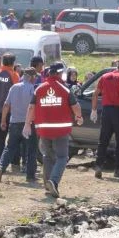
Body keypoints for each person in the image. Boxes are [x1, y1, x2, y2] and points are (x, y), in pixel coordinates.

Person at [24, 62, 84, 198]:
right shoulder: (64, 89)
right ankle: (54, 181)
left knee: (48, 156)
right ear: (59, 74)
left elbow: (31, 107)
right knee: (62, 157)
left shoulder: (39, 89)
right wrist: (79, 117)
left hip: (43, 130)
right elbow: (75, 106)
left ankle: (47, 184)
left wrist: (27, 124)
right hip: (61, 130)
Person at [0, 68, 38, 183]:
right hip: (28, 124)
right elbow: (34, 107)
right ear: (32, 77)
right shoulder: (32, 89)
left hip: (14, 122)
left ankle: (0, 167)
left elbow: (6, 105)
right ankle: (30, 175)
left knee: (9, 148)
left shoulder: (13, 87)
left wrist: (3, 120)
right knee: (31, 150)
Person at [91, 58, 119, 179]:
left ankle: (98, 166)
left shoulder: (105, 76)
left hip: (106, 111)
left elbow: (95, 93)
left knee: (103, 140)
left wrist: (94, 110)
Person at [0, 53, 20, 170]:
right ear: (13, 63)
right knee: (15, 139)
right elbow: (18, 94)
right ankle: (15, 163)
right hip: (11, 112)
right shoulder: (14, 75)